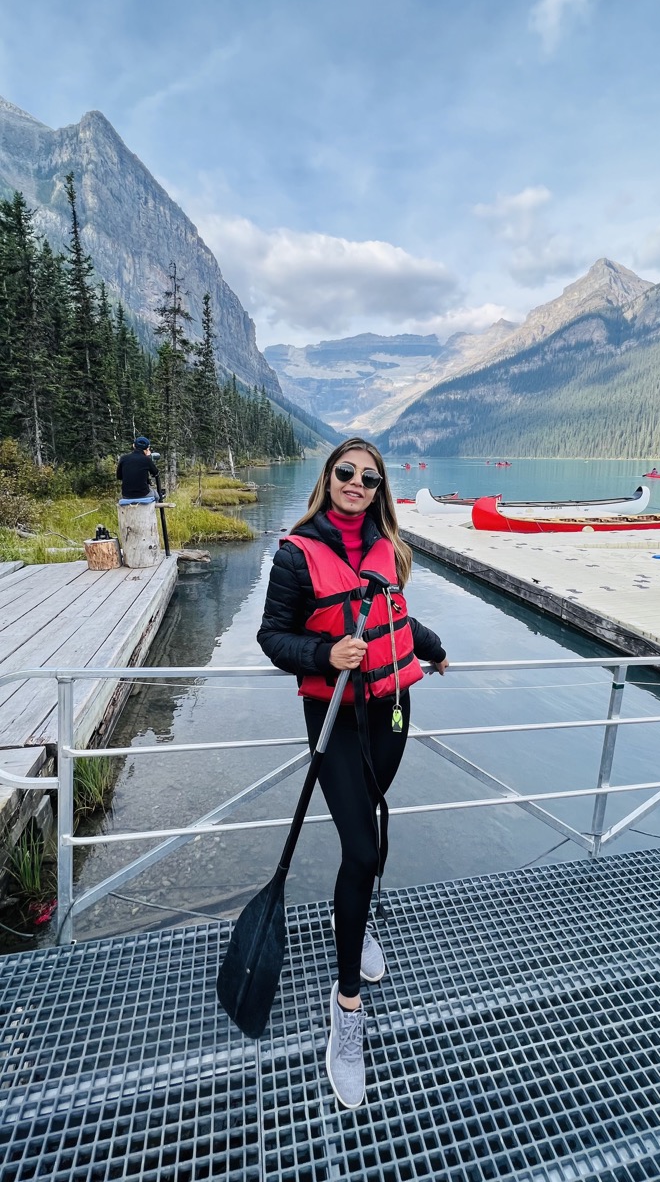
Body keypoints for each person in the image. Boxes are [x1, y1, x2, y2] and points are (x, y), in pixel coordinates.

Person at [257, 438, 448, 1109]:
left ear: (379, 487)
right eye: (346, 472)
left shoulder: (388, 545)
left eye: (369, 476)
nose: (356, 483)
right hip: (337, 716)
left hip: (394, 708)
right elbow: (272, 637)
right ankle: (346, 1013)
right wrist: (324, 651)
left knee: (363, 838)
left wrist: (432, 647)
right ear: (328, 477)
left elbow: (394, 611)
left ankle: (355, 913)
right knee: (363, 847)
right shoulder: (295, 552)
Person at [116, 436, 162, 502]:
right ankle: (151, 511)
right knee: (157, 496)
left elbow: (119, 476)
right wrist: (149, 457)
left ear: (133, 445)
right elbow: (156, 473)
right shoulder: (146, 459)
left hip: (126, 495)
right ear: (148, 448)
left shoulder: (123, 458)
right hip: (144, 494)